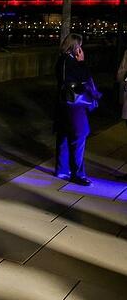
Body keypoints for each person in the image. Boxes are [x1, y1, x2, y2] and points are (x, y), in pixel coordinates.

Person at [54, 33, 98, 186]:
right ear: (74, 46)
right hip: (74, 104)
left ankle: (62, 169)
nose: (81, 48)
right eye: (79, 45)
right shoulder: (69, 61)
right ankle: (78, 174)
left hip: (66, 104)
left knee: (65, 135)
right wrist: (82, 62)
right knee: (80, 135)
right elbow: (82, 78)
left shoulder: (63, 60)